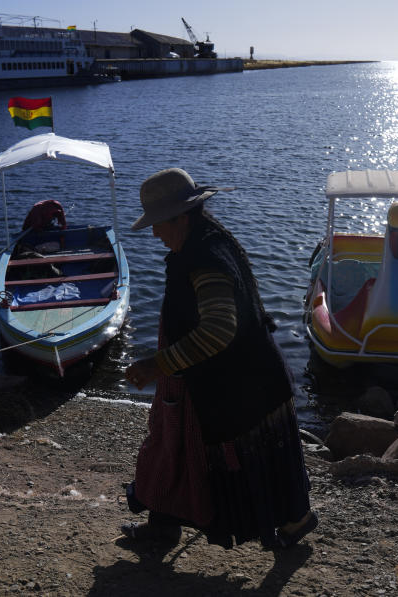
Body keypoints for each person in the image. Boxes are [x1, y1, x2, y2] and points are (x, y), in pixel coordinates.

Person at [122, 168, 317, 549]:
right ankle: (293, 519)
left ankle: (293, 519)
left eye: (159, 223)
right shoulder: (203, 245)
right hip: (245, 379)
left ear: (183, 216)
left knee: (196, 453)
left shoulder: (205, 259)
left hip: (234, 385)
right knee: (189, 450)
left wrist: (155, 365)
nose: (154, 233)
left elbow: (217, 331)